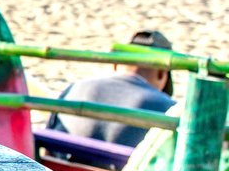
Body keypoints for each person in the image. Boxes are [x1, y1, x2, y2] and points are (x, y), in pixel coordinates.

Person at [47, 30, 176, 154]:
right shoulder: (170, 110)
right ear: (161, 73)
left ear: (114, 64)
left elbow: (47, 150)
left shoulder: (75, 89)